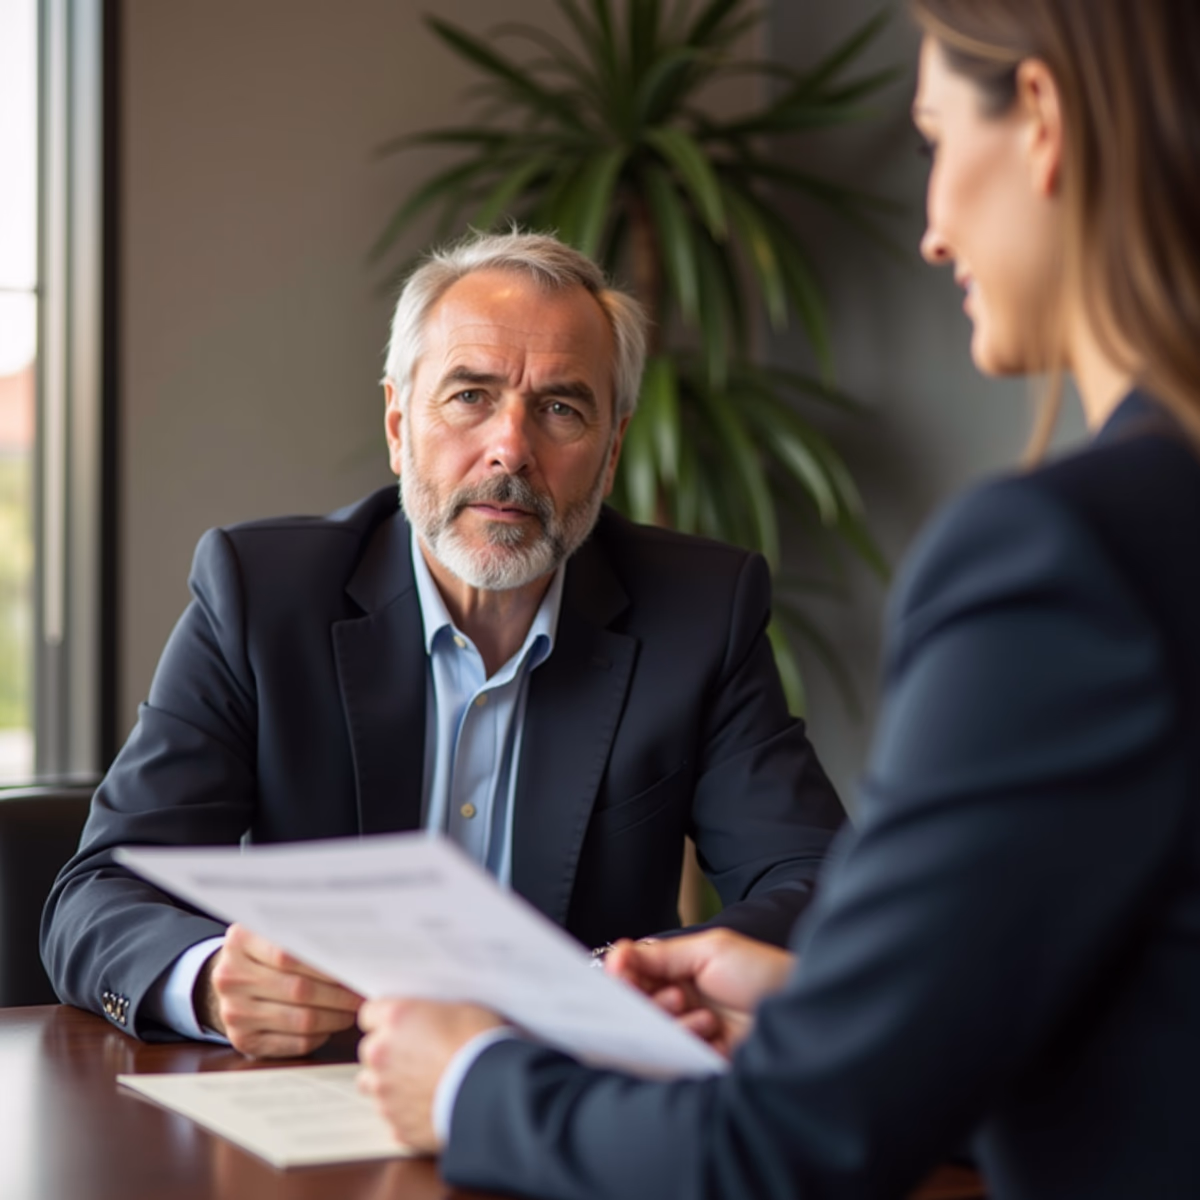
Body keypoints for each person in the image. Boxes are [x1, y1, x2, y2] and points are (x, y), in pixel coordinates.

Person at [353, 3, 1200, 1197]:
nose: (933, 230)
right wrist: (837, 1010)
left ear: (1043, 122)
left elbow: (790, 1148)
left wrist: (467, 1082)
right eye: (469, 396)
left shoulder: (1062, 556)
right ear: (401, 420)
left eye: (934, 139)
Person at [42, 231, 844, 1057]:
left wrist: (631, 978)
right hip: (322, 1092)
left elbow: (818, 885)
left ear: (610, 456)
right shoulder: (261, 596)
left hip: (570, 1091)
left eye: (561, 408)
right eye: (470, 396)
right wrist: (212, 982)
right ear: (399, 425)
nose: (510, 449)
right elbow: (97, 893)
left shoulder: (699, 613)